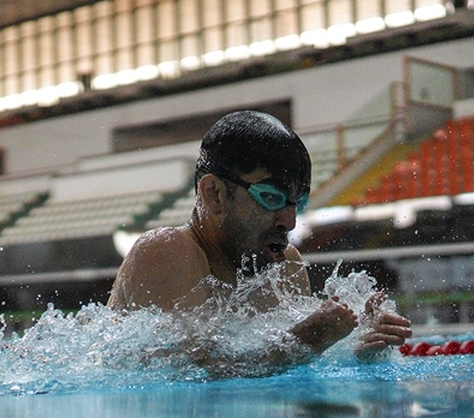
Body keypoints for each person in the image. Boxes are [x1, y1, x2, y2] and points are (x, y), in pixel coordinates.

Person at [107, 110, 412, 371]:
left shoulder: (287, 265)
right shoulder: (166, 251)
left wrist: (357, 351)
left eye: (297, 203)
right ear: (214, 194)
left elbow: (290, 373)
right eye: (271, 197)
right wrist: (308, 338)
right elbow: (185, 376)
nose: (289, 221)